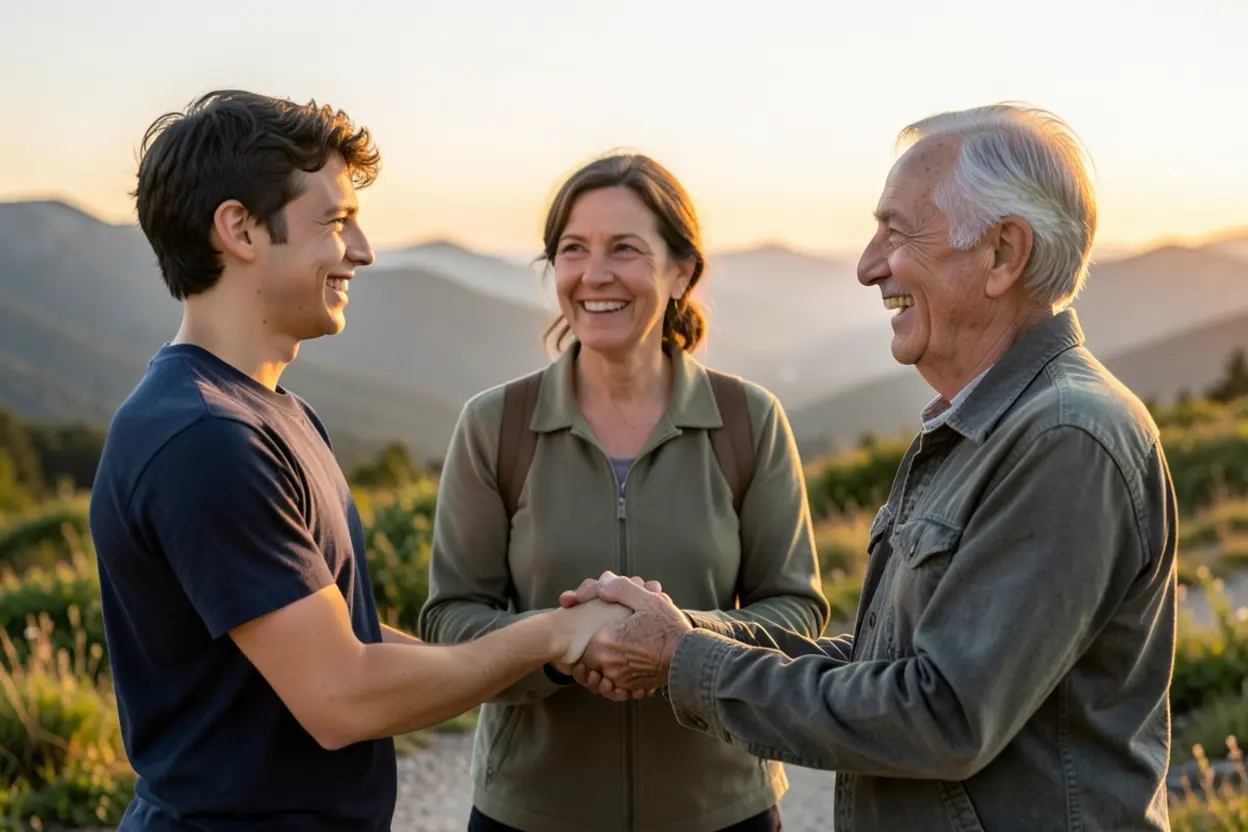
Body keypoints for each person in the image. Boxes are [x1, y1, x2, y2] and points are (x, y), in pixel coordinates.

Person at [563, 104, 1180, 831]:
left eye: (898, 230)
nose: (867, 264)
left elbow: (940, 714)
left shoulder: (1066, 439)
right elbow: (882, 663)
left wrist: (683, 661)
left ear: (1002, 255)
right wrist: (681, 633)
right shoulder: (989, 429)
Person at [88, 89, 629, 831]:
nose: (364, 250)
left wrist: (545, 651)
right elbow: (343, 695)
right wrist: (552, 634)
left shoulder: (272, 414)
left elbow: (347, 641)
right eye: (336, 222)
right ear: (240, 229)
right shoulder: (206, 439)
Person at [418, 152, 830, 832]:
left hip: (721, 813)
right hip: (530, 815)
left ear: (681, 273)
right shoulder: (494, 426)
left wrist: (677, 643)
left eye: (625, 250)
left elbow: (796, 614)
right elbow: (448, 621)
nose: (595, 274)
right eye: (573, 250)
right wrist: (565, 644)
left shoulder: (748, 422)